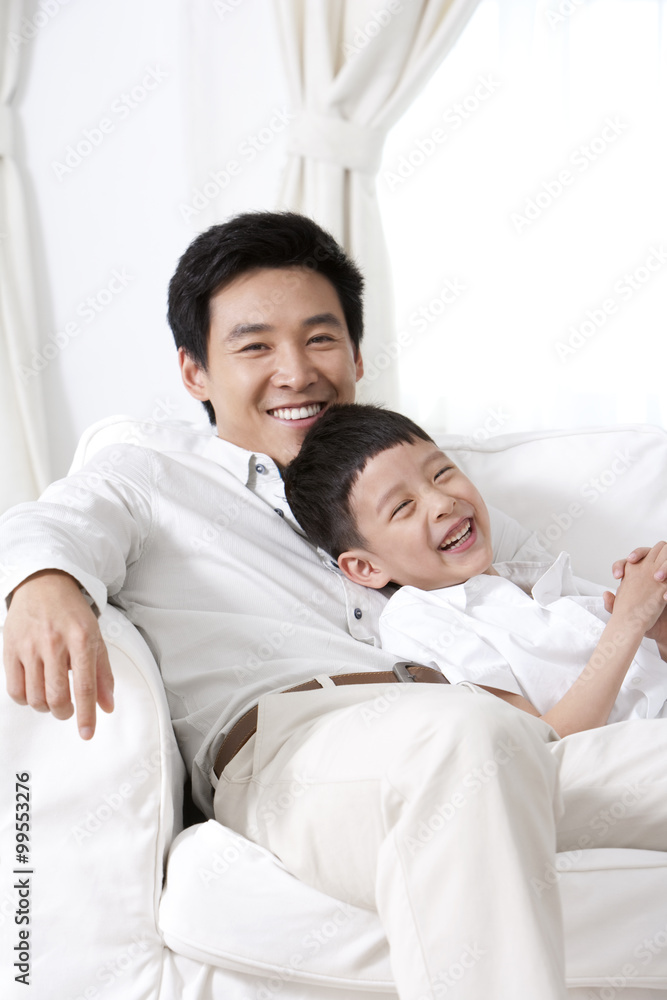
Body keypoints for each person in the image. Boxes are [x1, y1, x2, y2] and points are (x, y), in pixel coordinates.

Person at [1, 211, 667, 1000]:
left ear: (354, 355)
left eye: (319, 339)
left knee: (482, 739)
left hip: (501, 739)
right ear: (195, 373)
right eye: (255, 347)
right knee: (464, 737)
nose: (295, 372)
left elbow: (550, 609)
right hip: (300, 753)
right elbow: (53, 523)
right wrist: (43, 584)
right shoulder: (151, 476)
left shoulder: (420, 481)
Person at [283, 403, 667, 738]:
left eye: (441, 473)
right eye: (402, 507)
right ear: (366, 567)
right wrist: (629, 623)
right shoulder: (420, 620)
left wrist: (658, 628)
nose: (442, 502)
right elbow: (545, 743)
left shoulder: (529, 580)